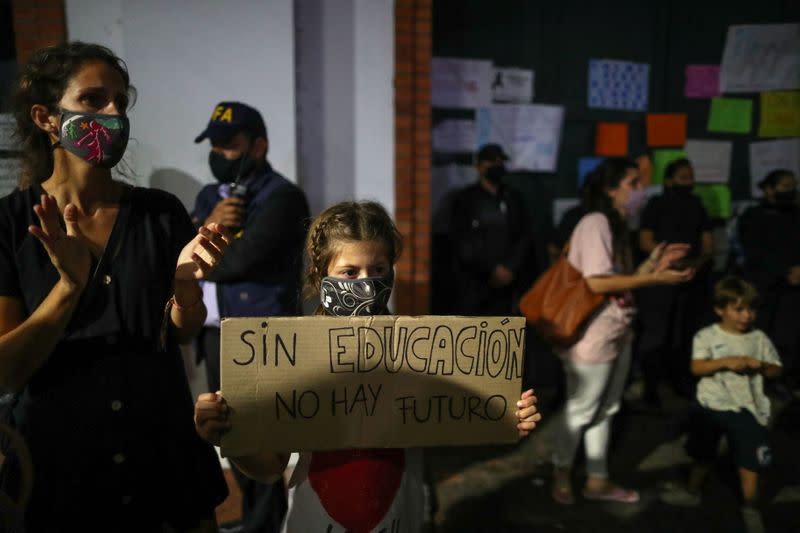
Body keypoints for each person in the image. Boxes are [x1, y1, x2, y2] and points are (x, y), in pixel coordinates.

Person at [194, 201, 542, 532]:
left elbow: (450, 421)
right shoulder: (295, 357)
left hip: (399, 513)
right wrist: (234, 437)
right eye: (349, 271)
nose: (366, 283)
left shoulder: (419, 354)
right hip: (315, 517)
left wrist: (503, 413)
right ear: (321, 273)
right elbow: (270, 469)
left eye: (378, 270)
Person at [0, 41, 229, 530]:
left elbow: (180, 334)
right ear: (45, 118)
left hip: (166, 468)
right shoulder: (10, 225)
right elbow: (7, 371)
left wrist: (186, 290)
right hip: (62, 477)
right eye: (93, 100)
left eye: (121, 102)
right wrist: (68, 287)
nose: (114, 114)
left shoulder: (159, 212)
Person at [191, 102, 309, 532]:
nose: (220, 153)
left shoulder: (282, 198)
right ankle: (254, 517)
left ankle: (265, 523)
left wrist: (201, 247)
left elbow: (236, 262)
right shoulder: (209, 198)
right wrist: (209, 223)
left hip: (260, 338)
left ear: (258, 146)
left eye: (230, 145)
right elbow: (184, 259)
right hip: (215, 335)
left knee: (261, 436)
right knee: (231, 433)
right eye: (215, 145)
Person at [550, 157, 694, 505]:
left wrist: (652, 263)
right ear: (609, 190)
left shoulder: (616, 225)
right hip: (592, 335)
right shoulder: (595, 222)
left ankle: (597, 479)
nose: (640, 190)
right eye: (632, 183)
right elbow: (598, 281)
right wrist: (654, 277)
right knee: (582, 407)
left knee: (608, 407)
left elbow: (619, 280)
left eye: (640, 183)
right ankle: (561, 473)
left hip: (617, 331)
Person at [661, 277, 781, 531]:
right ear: (720, 309)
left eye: (751, 309)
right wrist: (726, 361)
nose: (747, 316)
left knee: (751, 460)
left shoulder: (759, 338)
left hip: (749, 407)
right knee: (703, 452)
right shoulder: (705, 336)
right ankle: (692, 492)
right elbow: (697, 366)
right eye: (738, 309)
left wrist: (764, 366)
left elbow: (776, 370)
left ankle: (750, 505)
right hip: (712, 406)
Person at [636, 157, 714, 405]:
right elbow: (645, 240)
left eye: (691, 177)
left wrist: (694, 264)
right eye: (683, 177)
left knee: (685, 334)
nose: (688, 182)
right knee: (656, 335)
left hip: (691, 280)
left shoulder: (697, 205)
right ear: (669, 180)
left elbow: (708, 244)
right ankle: (651, 387)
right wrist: (666, 262)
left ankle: (681, 382)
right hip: (659, 280)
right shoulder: (656, 205)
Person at [449, 143, 532, 315]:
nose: (497, 166)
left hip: (509, 282)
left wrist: (510, 267)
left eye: (500, 161)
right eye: (491, 162)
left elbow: (523, 235)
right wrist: (491, 268)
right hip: (475, 281)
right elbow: (462, 240)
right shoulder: (466, 199)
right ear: (479, 166)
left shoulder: (513, 197)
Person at [738, 170, 800, 389]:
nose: (791, 191)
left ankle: (784, 381)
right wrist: (783, 272)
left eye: (793, 186)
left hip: (792, 289)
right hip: (763, 285)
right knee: (761, 336)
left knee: (789, 338)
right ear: (769, 189)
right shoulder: (753, 216)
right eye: (784, 186)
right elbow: (754, 251)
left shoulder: (795, 214)